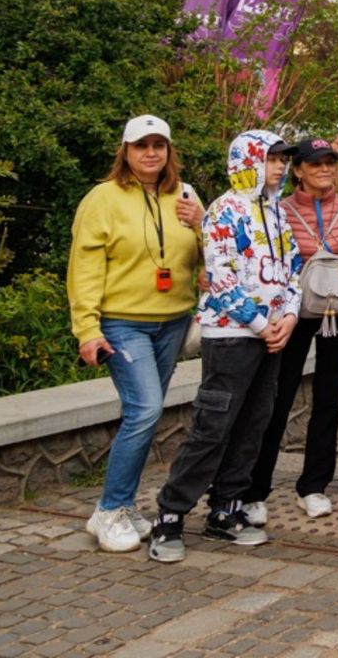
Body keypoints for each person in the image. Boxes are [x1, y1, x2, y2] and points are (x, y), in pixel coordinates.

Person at [148, 130, 300, 563]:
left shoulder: (278, 213)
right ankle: (170, 516)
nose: (280, 167)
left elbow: (294, 268)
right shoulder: (223, 210)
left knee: (253, 424)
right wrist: (261, 324)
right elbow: (220, 278)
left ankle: (225, 508)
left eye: (283, 160)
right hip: (231, 336)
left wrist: (289, 316)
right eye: (271, 159)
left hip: (272, 336)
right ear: (248, 161)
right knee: (213, 427)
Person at [67, 114, 204, 553]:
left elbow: (214, 256)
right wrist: (87, 329)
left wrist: (201, 223)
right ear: (125, 152)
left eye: (158, 145)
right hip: (122, 322)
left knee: (146, 413)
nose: (150, 153)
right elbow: (84, 268)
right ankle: (110, 509)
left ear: (169, 151)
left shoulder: (185, 195)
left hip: (173, 321)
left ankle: (122, 506)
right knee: (144, 410)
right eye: (141, 145)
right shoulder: (102, 198)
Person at [244, 138, 338, 524]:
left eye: (330, 163)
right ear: (298, 170)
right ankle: (255, 489)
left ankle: (314, 486)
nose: (325, 170)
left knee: (328, 398)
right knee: (277, 398)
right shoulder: (280, 211)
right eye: (316, 164)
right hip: (292, 313)